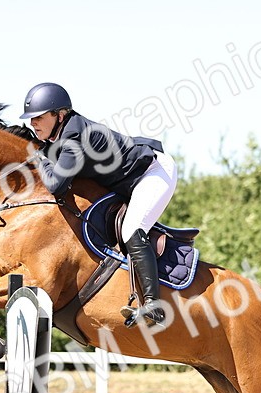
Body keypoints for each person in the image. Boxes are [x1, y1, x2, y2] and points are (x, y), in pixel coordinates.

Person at [20, 82, 177, 327]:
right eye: (31, 119)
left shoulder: (74, 137)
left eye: (39, 117)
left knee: (131, 230)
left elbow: (56, 186)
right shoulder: (62, 134)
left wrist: (41, 158)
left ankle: (154, 307)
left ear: (59, 116)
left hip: (154, 173)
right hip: (128, 179)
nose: (33, 123)